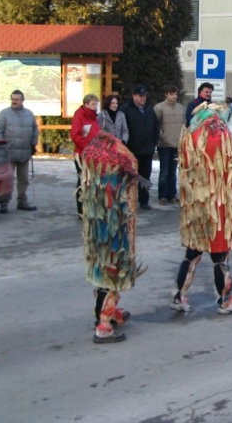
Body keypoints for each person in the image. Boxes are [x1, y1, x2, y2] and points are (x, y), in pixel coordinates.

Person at [171, 102, 232, 314]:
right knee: (220, 256)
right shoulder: (219, 132)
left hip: (194, 206)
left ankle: (180, 295)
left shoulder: (189, 134)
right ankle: (225, 299)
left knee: (192, 253)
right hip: (218, 205)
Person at [81, 131, 146, 343]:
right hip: (113, 226)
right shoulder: (115, 167)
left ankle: (105, 312)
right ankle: (104, 325)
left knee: (103, 267)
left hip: (98, 226)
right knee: (113, 269)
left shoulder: (92, 161)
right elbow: (130, 167)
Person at [0, 89, 39, 212]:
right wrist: (1, 146)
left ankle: (22, 202)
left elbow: (35, 130)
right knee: (6, 180)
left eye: (17, 99)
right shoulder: (4, 114)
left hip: (25, 153)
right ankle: (4, 204)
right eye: (13, 99)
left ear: (22, 100)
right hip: (8, 154)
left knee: (24, 180)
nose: (14, 101)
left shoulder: (29, 114)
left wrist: (33, 144)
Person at [122, 85, 159, 210]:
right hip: (133, 150)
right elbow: (124, 129)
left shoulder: (149, 109)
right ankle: (129, 201)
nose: (143, 98)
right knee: (131, 178)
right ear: (134, 96)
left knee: (145, 177)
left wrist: (154, 141)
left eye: (144, 96)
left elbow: (155, 126)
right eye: (140, 96)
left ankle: (144, 201)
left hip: (147, 150)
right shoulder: (126, 109)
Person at [154, 84, 185, 205]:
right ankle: (162, 195)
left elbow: (183, 125)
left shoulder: (181, 108)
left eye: (176, 94)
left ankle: (172, 194)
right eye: (171, 94)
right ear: (166, 94)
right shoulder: (159, 107)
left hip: (177, 144)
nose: (174, 96)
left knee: (173, 171)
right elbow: (156, 125)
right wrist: (161, 137)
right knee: (164, 170)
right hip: (164, 144)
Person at [70, 94, 101, 217]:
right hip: (82, 154)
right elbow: (75, 135)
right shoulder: (80, 116)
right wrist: (87, 146)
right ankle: (81, 210)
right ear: (86, 104)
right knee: (83, 181)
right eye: (93, 104)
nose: (95, 107)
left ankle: (90, 207)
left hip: (94, 154)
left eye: (96, 105)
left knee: (92, 180)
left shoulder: (93, 117)